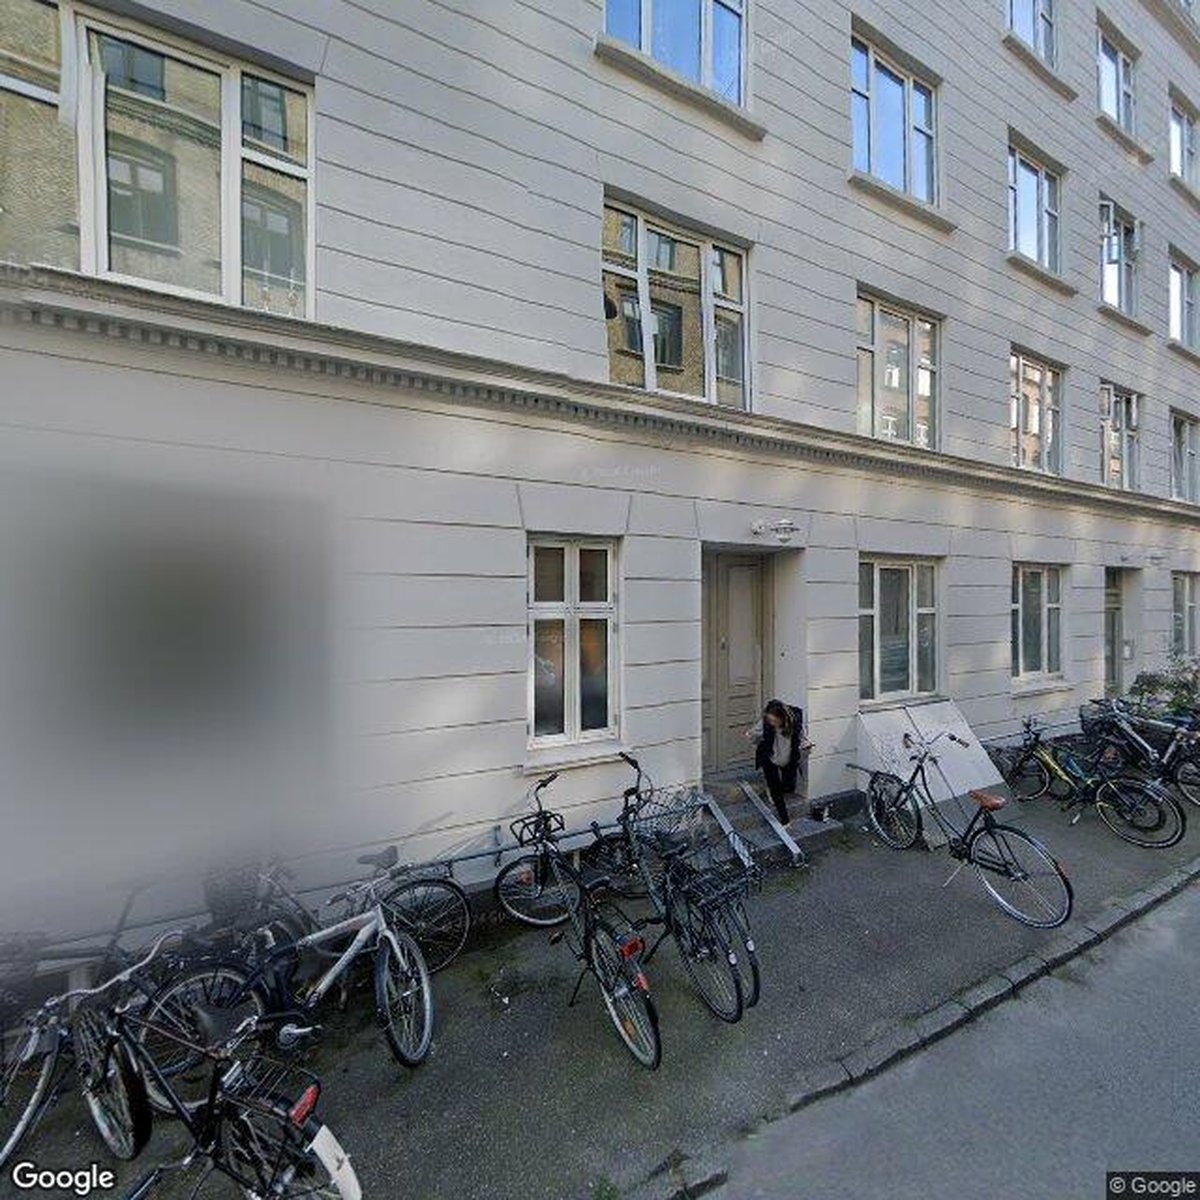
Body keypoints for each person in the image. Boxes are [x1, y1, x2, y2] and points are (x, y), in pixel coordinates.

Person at [746, 699, 811, 825]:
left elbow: (801, 738)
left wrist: (805, 745)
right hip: (769, 757)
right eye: (770, 720)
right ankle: (785, 820)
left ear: (783, 718)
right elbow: (755, 734)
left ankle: (773, 790)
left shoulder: (795, 722)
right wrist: (751, 735)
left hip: (788, 757)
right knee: (775, 788)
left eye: (774, 720)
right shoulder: (765, 722)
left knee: (789, 786)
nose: (772, 723)